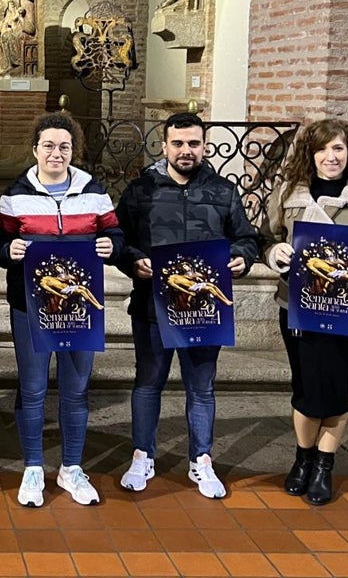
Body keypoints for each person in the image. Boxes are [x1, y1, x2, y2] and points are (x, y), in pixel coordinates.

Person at [114, 112, 259, 499]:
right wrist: (132, 260)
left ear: (204, 146)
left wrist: (242, 258)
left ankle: (202, 459)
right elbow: (116, 240)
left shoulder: (223, 191)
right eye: (178, 143)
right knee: (148, 384)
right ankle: (142, 455)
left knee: (201, 389)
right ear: (164, 146)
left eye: (193, 143)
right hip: (151, 307)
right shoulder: (140, 191)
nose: (186, 151)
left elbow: (246, 238)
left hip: (204, 308)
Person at [0, 112, 122, 507]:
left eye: (64, 146)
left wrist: (111, 246)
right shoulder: (15, 195)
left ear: (72, 151)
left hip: (80, 306)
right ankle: (32, 469)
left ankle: (72, 468)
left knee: (76, 390)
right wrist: (6, 252)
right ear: (35, 150)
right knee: (33, 389)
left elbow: (115, 233)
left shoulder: (94, 192)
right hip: (30, 306)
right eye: (48, 145)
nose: (56, 153)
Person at [259, 119, 348, 505]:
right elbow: (266, 237)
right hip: (299, 306)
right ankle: (303, 458)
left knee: (336, 388)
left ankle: (324, 465)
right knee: (305, 387)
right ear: (310, 153)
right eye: (322, 149)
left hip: (347, 310)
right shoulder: (288, 192)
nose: (330, 157)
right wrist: (274, 253)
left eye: (338, 149)